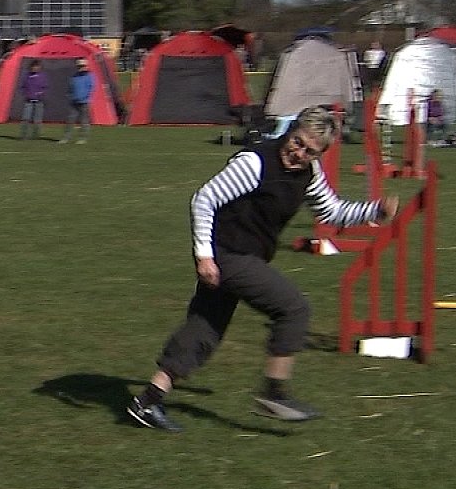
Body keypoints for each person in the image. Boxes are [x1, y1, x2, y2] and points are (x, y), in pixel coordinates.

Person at [126, 106, 400, 432]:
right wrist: (204, 256)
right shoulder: (255, 162)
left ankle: (147, 401)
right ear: (291, 131)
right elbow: (204, 199)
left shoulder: (309, 175)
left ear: (319, 155)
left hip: (238, 256)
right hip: (229, 255)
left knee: (204, 329)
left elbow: (332, 211)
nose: (297, 154)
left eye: (309, 152)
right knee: (294, 309)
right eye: (296, 142)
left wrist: (375, 209)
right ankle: (274, 394)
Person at [60, 58, 94, 145]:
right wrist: (69, 95)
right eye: (79, 66)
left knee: (84, 121)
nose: (81, 68)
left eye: (82, 66)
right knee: (70, 120)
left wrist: (84, 97)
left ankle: (82, 138)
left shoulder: (89, 76)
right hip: (73, 102)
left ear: (86, 66)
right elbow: (70, 87)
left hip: (84, 102)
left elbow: (91, 88)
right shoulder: (74, 77)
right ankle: (66, 138)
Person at [19, 60, 48, 140]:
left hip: (39, 101)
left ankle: (36, 135)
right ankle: (24, 135)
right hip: (29, 101)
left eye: (37, 66)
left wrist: (40, 93)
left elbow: (45, 87)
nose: (35, 68)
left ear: (39, 67)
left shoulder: (42, 76)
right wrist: (25, 94)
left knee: (37, 120)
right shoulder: (27, 76)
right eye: (33, 66)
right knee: (25, 118)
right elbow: (22, 87)